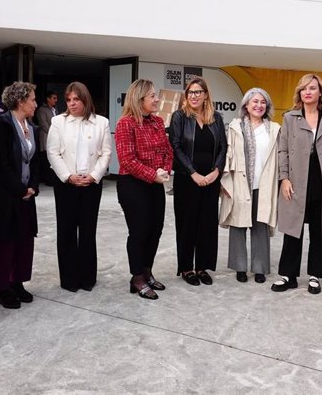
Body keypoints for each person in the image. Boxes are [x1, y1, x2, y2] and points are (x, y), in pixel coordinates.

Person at [273, 74, 322, 294]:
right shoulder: (290, 118)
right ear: (299, 93)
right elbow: (283, 150)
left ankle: (315, 275)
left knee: (320, 228)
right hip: (297, 179)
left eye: (312, 88)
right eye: (304, 88)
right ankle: (289, 275)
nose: (308, 92)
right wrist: (284, 178)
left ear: (320, 92)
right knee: (293, 229)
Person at [47, 82, 111, 292]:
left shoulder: (101, 122)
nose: (72, 103)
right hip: (66, 184)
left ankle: (87, 277)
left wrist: (94, 176)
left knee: (87, 231)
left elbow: (106, 153)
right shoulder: (58, 121)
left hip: (91, 185)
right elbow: (53, 152)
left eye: (76, 99)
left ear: (85, 99)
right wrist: (68, 176)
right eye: (69, 100)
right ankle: (69, 279)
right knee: (66, 231)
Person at [115, 79, 173, 300]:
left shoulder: (158, 122)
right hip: (132, 185)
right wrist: (153, 175)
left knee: (155, 230)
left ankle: (147, 272)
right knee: (139, 232)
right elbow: (127, 160)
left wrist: (164, 170)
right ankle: (137, 277)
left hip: (155, 183)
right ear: (139, 99)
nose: (157, 99)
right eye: (152, 96)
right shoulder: (125, 124)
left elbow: (168, 151)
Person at [0, 82, 40, 309]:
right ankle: (2, 288)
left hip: (26, 195)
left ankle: (17, 282)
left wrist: (33, 186)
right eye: (33, 100)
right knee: (5, 242)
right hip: (5, 196)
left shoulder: (31, 126)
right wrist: (20, 189)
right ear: (20, 101)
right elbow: (0, 164)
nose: (35, 104)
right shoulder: (2, 125)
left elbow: (36, 159)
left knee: (24, 240)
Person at [169, 77, 226, 286]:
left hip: (210, 181)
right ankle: (186, 267)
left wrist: (216, 172)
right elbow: (175, 147)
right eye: (190, 92)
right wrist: (193, 173)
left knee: (207, 225)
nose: (194, 96)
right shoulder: (179, 117)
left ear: (205, 95)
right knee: (186, 224)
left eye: (198, 92)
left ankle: (202, 267)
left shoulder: (216, 118)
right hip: (187, 180)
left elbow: (223, 148)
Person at [219, 88, 279, 284]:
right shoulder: (236, 127)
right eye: (255, 102)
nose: (259, 105)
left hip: (263, 183)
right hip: (240, 182)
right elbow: (228, 152)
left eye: (263, 102)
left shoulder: (274, 129)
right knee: (238, 224)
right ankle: (240, 267)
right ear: (246, 105)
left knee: (260, 225)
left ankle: (260, 268)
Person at [35, 90, 59, 186]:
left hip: (55, 138)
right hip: (46, 137)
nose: (56, 100)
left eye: (56, 98)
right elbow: (43, 125)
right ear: (48, 99)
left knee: (53, 159)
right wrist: (55, 133)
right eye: (54, 98)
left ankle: (52, 178)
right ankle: (47, 179)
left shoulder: (55, 110)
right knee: (45, 159)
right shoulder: (42, 110)